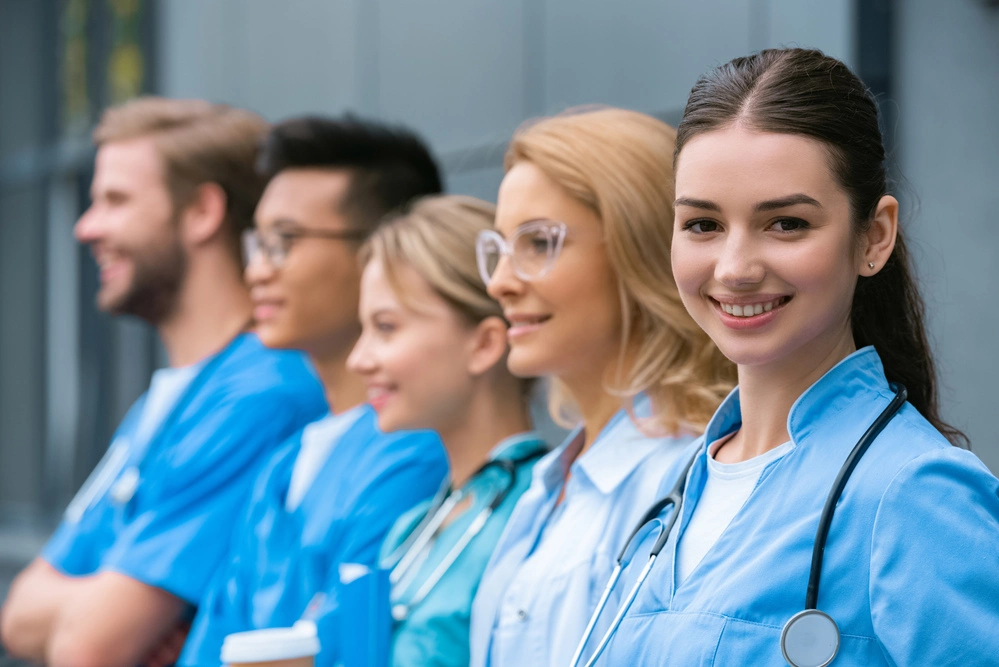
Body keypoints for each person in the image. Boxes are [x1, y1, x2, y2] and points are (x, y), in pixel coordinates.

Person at [600, 48, 999, 666]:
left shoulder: (912, 493)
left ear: (874, 236)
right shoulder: (671, 493)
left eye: (785, 224)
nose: (734, 269)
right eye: (703, 224)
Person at [0, 98, 327, 667]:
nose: (86, 227)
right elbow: (21, 617)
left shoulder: (261, 395)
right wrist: (103, 611)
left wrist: (99, 616)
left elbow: (87, 647)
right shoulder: (166, 401)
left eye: (115, 200)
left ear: (202, 211)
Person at [178, 115, 450, 667]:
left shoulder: (416, 456)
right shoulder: (285, 466)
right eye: (257, 243)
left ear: (385, 250)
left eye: (284, 242)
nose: (256, 270)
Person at [468, 107, 735, 667]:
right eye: (497, 247)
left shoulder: (691, 478)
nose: (499, 281)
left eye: (539, 243)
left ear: (641, 249)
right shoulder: (551, 484)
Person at [346, 195, 548, 667]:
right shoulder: (410, 529)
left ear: (484, 344)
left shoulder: (538, 516)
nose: (359, 359)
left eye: (386, 327)